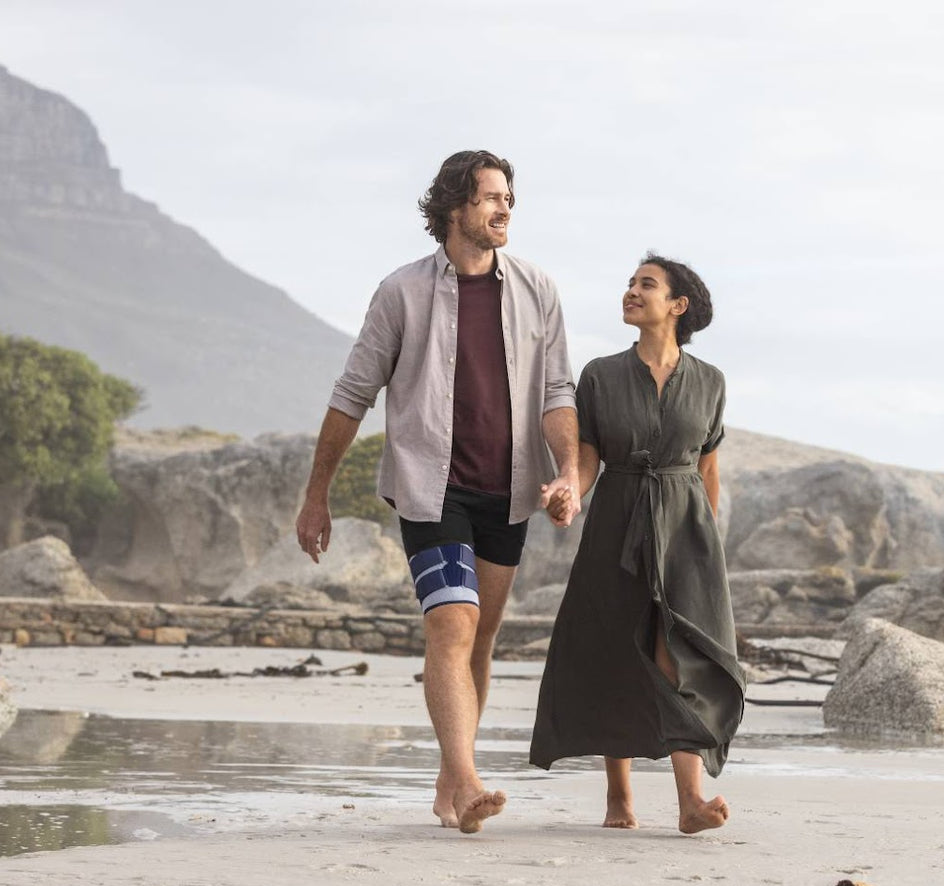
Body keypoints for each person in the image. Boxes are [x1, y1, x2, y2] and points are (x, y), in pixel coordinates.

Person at [295, 150, 580, 834]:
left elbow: (557, 390)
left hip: (508, 490)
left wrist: (568, 470)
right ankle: (472, 781)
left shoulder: (538, 288)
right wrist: (317, 495)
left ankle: (451, 785)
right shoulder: (402, 292)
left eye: (509, 196)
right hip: (432, 487)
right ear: (455, 207)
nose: (504, 208)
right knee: (451, 624)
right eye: (490, 198)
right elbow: (353, 394)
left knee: (479, 639)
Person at [531, 253, 744, 834]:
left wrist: (705, 546)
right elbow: (589, 459)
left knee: (681, 660)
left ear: (678, 306)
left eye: (645, 285)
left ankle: (689, 802)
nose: (630, 291)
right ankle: (619, 799)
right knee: (615, 652)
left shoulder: (710, 382)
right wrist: (567, 491)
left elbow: (707, 468)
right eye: (629, 283)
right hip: (618, 518)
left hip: (686, 530)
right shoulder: (600, 374)